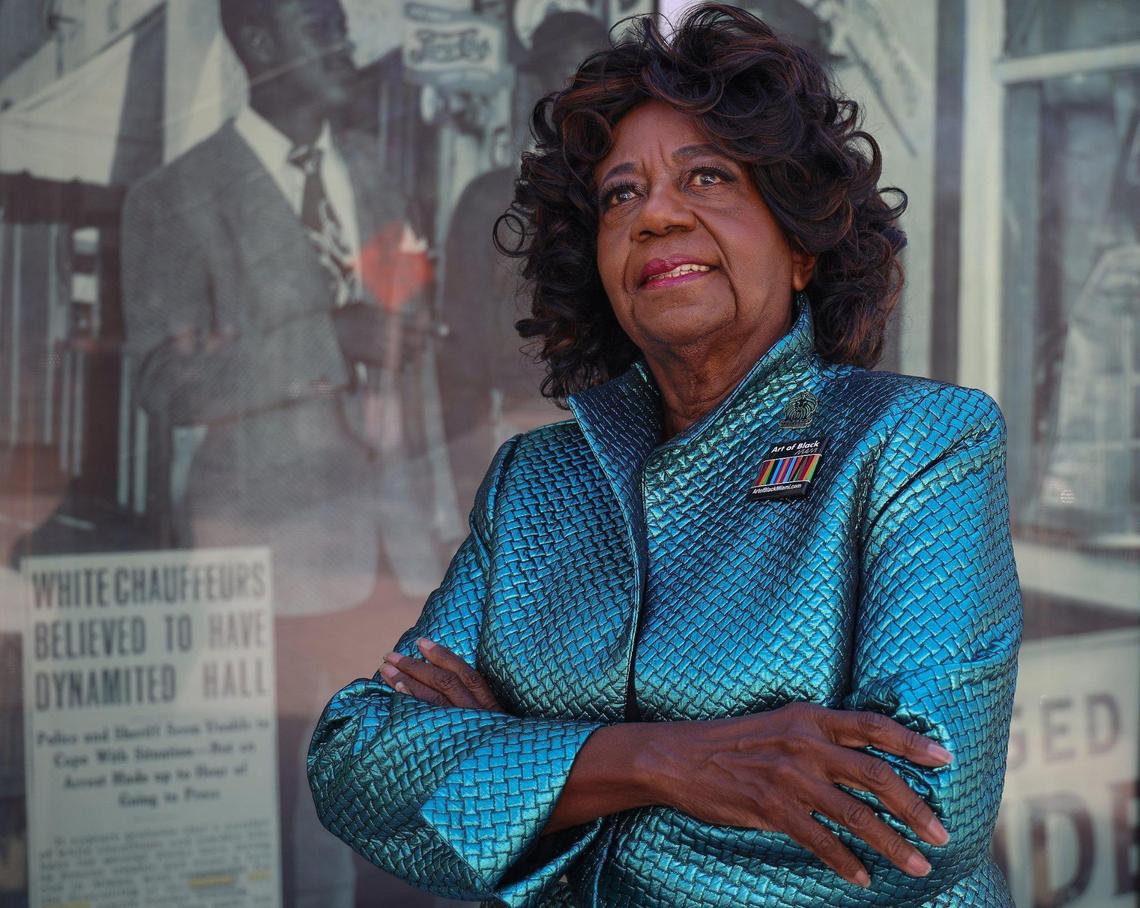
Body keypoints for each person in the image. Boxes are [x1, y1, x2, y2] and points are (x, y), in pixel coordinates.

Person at [308, 6, 1021, 905]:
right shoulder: (534, 484)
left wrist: (522, 775)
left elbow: (918, 822)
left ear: (800, 244)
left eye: (709, 176)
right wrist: (661, 763)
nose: (657, 215)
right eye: (620, 194)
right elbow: (354, 764)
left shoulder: (918, 444)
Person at [121, 1, 439, 904]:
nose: (344, 45)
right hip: (267, 554)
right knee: (277, 802)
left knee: (391, 810)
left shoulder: (378, 176)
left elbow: (407, 343)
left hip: (395, 552)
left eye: (342, 25)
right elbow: (161, 383)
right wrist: (323, 343)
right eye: (318, 27)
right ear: (258, 45)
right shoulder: (175, 196)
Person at [437, 10, 611, 518]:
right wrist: (466, 484)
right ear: (535, 83)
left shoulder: (638, 194)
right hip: (518, 430)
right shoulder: (487, 201)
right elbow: (461, 355)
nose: (577, 94)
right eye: (561, 75)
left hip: (623, 432)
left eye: (595, 77)